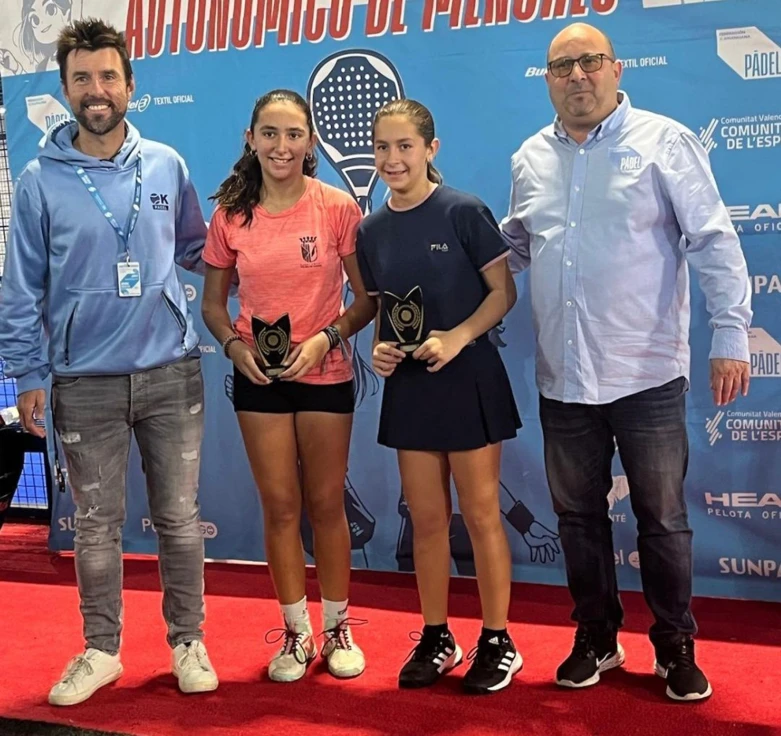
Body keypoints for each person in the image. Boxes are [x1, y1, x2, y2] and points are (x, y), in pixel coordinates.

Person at [500, 22, 752, 702]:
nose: (576, 76)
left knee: (661, 519)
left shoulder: (664, 141)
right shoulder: (528, 157)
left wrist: (730, 335)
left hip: (646, 376)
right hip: (564, 379)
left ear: (614, 68)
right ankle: (596, 638)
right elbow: (516, 249)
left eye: (588, 62)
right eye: (561, 67)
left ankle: (674, 647)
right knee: (577, 519)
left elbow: (713, 240)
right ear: (547, 79)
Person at [0, 19, 219, 705]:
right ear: (65, 89)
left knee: (179, 519)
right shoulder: (38, 181)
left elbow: (196, 249)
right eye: (81, 79)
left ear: (130, 85)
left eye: (107, 77)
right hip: (83, 380)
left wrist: (254, 250)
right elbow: (20, 288)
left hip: (170, 372)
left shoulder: (167, 164)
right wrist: (30, 375)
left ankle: (188, 641)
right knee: (94, 524)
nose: (96, 91)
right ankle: (101, 649)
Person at [201, 89, 376, 683]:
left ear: (311, 143)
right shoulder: (229, 214)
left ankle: (337, 628)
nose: (282, 146)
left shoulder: (336, 208)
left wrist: (327, 339)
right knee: (280, 508)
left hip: (326, 375)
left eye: (294, 134)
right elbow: (213, 305)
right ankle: (297, 634)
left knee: (326, 506)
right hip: (258, 381)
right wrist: (232, 347)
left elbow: (367, 300)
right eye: (269, 133)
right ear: (251, 139)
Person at [357, 99, 523, 695]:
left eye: (405, 146)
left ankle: (499, 638)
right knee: (427, 520)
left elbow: (502, 294)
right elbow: (385, 311)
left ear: (431, 149)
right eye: (383, 147)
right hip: (411, 389)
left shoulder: (464, 211)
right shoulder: (370, 229)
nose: (392, 159)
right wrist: (379, 350)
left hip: (469, 376)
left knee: (480, 515)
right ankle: (436, 635)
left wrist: (457, 337)